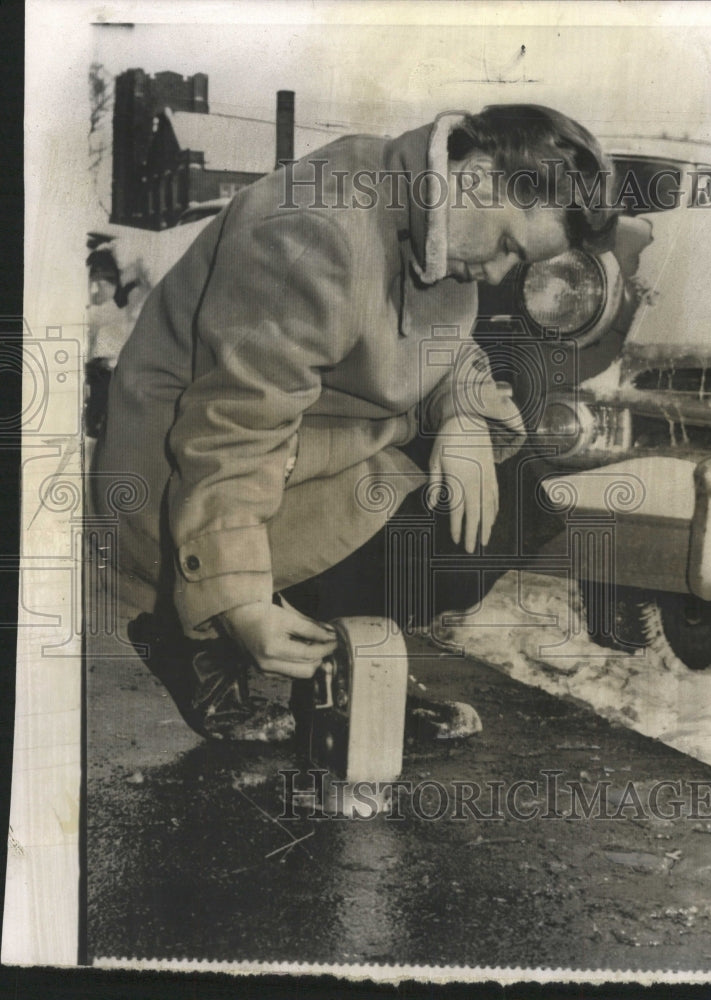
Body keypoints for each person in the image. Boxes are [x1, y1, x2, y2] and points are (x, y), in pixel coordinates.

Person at [93, 104, 617, 740]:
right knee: (450, 535)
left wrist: (464, 419)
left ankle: (347, 664)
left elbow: (444, 350)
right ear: (477, 174)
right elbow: (230, 431)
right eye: (510, 245)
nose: (503, 272)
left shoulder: (433, 221)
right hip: (182, 490)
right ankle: (194, 634)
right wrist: (235, 595)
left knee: (513, 502)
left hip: (304, 454)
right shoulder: (318, 231)